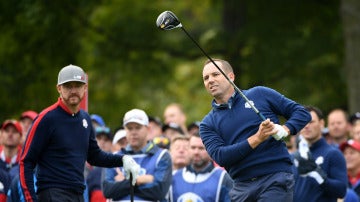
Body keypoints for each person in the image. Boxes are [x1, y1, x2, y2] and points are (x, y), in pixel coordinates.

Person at [19, 64, 140, 202]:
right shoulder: (47, 118)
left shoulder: (85, 119)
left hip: (78, 194)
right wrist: (30, 200)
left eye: (78, 85)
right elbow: (26, 161)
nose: (73, 90)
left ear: (85, 88)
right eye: (68, 86)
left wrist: (122, 159)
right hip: (52, 193)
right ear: (59, 88)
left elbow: (94, 156)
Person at [199, 59, 311, 201]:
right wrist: (258, 138)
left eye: (215, 74)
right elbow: (221, 156)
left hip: (275, 178)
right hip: (241, 187)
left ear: (231, 76)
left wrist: (284, 129)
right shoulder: (207, 124)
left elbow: (302, 113)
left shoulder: (259, 94)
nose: (210, 80)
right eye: (206, 78)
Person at [102, 109, 172, 201]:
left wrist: (123, 184)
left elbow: (159, 191)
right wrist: (139, 181)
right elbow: (108, 191)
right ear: (125, 130)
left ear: (148, 129)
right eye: (129, 128)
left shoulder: (162, 156)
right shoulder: (113, 157)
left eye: (138, 127)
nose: (133, 132)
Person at [292, 106, 347, 201]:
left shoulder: (333, 154)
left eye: (311, 122)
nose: (306, 126)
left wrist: (318, 175)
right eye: (302, 122)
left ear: (321, 124)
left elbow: (341, 191)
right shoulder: (293, 157)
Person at [170, 133, 233, 202]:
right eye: (193, 147)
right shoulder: (174, 177)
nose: (196, 152)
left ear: (210, 150)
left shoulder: (223, 178)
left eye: (201, 148)